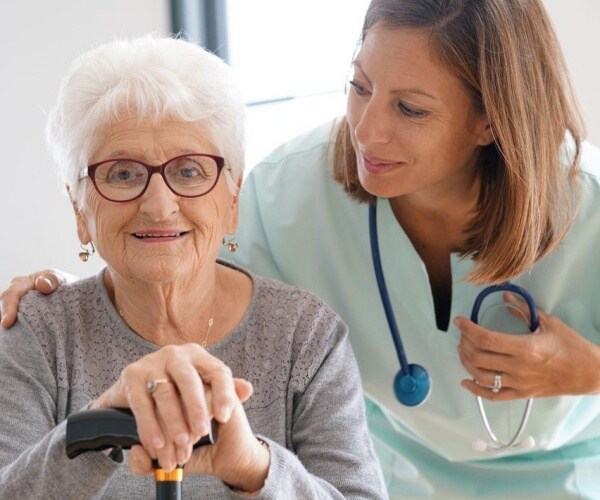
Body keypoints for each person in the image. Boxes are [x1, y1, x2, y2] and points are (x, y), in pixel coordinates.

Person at [3, 0, 600, 497]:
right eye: (359, 87)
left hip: (564, 478)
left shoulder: (588, 206)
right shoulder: (292, 189)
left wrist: (588, 370)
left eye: (410, 108)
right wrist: (70, 292)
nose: (366, 130)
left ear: (489, 119)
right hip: (407, 478)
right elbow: (175, 258)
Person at [0, 35, 387, 499]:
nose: (159, 206)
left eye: (189, 171)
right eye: (123, 173)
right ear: (80, 209)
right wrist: (97, 425)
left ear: (231, 199)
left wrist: (253, 467)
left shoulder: (306, 337)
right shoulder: (36, 335)